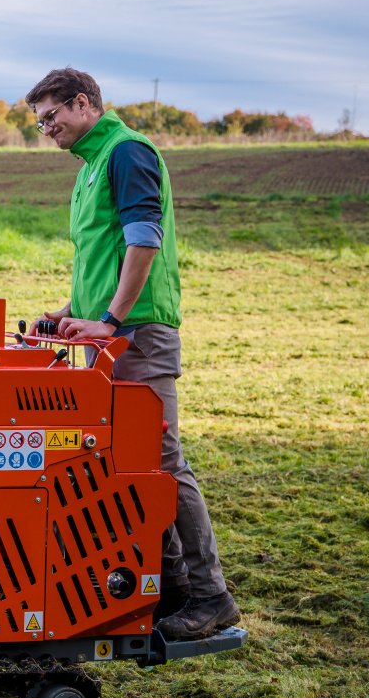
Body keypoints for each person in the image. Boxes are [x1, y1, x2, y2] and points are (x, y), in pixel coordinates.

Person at [24, 67, 239, 641]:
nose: (47, 129)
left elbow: (144, 241)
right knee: (124, 465)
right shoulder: (91, 165)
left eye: (51, 116)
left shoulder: (126, 152)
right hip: (108, 336)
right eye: (40, 122)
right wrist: (70, 311)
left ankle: (211, 596)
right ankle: (171, 589)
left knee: (162, 462)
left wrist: (112, 319)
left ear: (83, 103)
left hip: (139, 334)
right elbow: (101, 255)